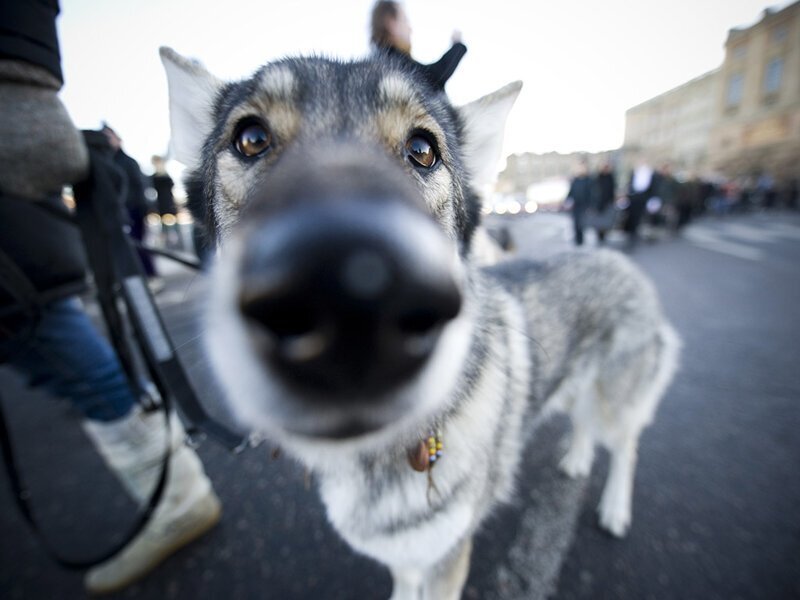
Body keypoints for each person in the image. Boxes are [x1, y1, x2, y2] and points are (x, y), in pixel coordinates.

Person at [0, 1, 220, 593]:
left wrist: (20, 86)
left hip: (16, 256)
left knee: (53, 342)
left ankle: (178, 498)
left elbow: (36, 134)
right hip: (29, 243)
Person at [101, 124, 163, 292]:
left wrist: (144, 207)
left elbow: (141, 185)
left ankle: (152, 278)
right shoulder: (109, 161)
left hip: (134, 210)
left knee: (140, 246)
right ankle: (138, 281)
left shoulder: (127, 161)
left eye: (109, 136)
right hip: (119, 212)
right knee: (129, 249)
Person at [369, 0, 467, 91]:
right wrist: (457, 44)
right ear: (391, 23)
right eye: (405, 20)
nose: (410, 29)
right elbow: (433, 79)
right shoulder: (391, 62)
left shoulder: (380, 61)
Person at [626, 157, 659, 249]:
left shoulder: (651, 174)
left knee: (643, 218)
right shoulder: (634, 172)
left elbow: (653, 188)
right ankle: (632, 234)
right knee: (632, 217)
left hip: (644, 199)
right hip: (634, 199)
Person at [150, 155, 180, 249]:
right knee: (166, 227)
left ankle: (175, 244)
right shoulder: (156, 177)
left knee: (172, 226)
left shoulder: (164, 176)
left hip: (167, 203)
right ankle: (170, 244)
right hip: (163, 204)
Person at [565, 160, 593, 246]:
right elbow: (571, 192)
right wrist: (567, 200)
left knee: (583, 224)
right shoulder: (575, 180)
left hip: (585, 205)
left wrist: (591, 205)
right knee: (576, 224)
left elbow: (592, 193)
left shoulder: (589, 180)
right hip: (576, 205)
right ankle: (578, 241)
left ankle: (581, 241)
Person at [592, 162, 617, 243]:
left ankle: (604, 235)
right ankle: (599, 235)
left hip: (607, 203)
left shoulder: (610, 177)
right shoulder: (598, 177)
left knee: (606, 221)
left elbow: (612, 190)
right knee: (599, 221)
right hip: (599, 203)